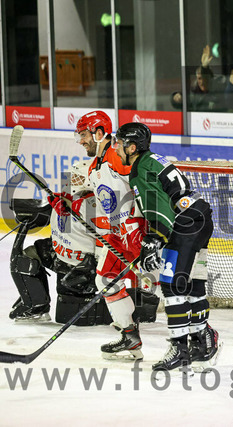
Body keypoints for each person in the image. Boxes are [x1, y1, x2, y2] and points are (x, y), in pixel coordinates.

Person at [113, 122, 220, 373]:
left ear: (131, 147)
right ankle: (202, 343)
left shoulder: (140, 169)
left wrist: (154, 239)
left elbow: (159, 208)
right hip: (200, 217)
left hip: (185, 225)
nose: (116, 147)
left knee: (173, 285)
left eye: (119, 143)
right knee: (193, 284)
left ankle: (180, 349)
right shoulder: (152, 160)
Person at [74, 111, 149, 359]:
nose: (81, 141)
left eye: (84, 135)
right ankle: (129, 336)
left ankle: (197, 336)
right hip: (118, 236)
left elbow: (145, 186)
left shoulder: (116, 156)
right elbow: (104, 200)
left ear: (99, 133)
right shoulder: (95, 165)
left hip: (138, 233)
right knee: (105, 280)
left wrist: (140, 224)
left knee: (168, 287)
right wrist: (67, 203)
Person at [8, 160, 106, 325]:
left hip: (79, 265)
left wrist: (94, 268)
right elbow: (63, 227)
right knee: (25, 257)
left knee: (67, 308)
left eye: (78, 178)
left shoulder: (96, 206)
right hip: (61, 255)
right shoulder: (66, 198)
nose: (73, 180)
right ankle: (36, 304)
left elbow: (105, 242)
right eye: (73, 177)